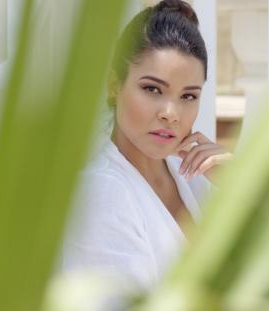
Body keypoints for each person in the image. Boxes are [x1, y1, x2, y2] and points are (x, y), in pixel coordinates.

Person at [61, 0, 233, 300]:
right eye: (153, 89)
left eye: (188, 96)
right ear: (115, 86)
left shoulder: (197, 179)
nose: (171, 113)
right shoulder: (103, 191)